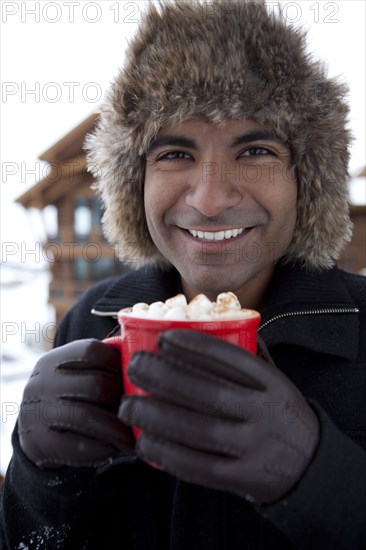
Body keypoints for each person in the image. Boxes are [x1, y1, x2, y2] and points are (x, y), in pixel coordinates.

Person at [1, 0, 365, 548]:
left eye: (258, 149)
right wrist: (36, 474)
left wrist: (321, 477)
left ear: (307, 183)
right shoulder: (93, 320)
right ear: (134, 185)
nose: (211, 199)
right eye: (175, 153)